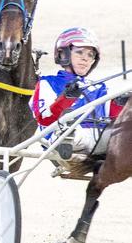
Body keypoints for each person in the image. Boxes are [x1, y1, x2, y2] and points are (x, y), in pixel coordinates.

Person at [29, 28, 125, 161]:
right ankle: (67, 137)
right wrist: (67, 97)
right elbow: (43, 118)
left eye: (90, 55)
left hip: (101, 139)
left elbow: (113, 116)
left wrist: (123, 102)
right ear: (63, 54)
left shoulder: (99, 88)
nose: (85, 58)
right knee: (71, 130)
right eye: (80, 52)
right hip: (64, 137)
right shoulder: (48, 82)